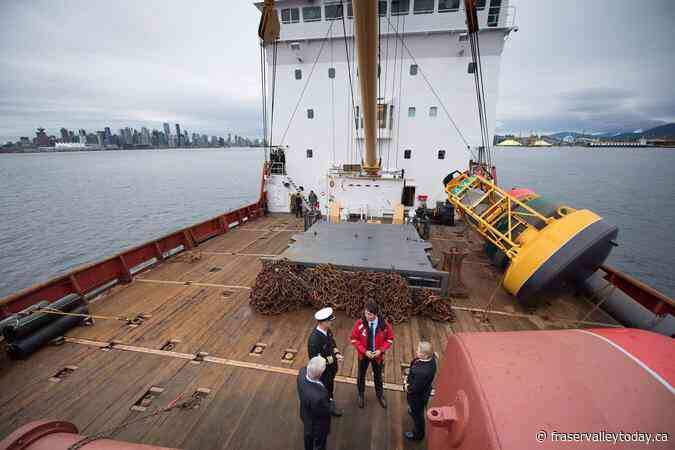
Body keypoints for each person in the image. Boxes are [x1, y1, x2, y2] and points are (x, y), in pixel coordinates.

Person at [350, 302, 394, 409]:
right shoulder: (360, 324)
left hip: (377, 356)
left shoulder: (384, 325)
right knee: (361, 375)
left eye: (369, 314)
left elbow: (390, 339)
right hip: (363, 355)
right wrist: (364, 351)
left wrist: (381, 350)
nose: (367, 316)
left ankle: (379, 395)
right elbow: (354, 339)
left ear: (376, 314)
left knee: (378, 376)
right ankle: (360, 394)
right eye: (366, 313)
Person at [308, 307, 344, 417]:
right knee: (322, 390)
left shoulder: (327, 331)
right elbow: (316, 360)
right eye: (329, 321)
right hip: (322, 373)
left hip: (330, 370)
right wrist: (334, 358)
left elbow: (332, 343)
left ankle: (329, 400)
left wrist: (336, 353)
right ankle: (325, 408)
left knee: (329, 387)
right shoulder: (314, 340)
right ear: (322, 322)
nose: (331, 322)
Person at [297, 356, 332, 450]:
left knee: (308, 436)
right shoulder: (319, 397)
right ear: (320, 374)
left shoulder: (302, 372)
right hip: (318, 425)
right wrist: (330, 404)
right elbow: (325, 411)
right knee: (319, 443)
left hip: (306, 414)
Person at [405, 341, 437, 441]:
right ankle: (413, 410)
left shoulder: (423, 372)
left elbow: (414, 388)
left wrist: (406, 386)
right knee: (415, 410)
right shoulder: (429, 360)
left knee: (418, 416)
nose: (416, 351)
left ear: (425, 355)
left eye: (418, 350)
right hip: (424, 390)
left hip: (418, 397)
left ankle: (418, 434)